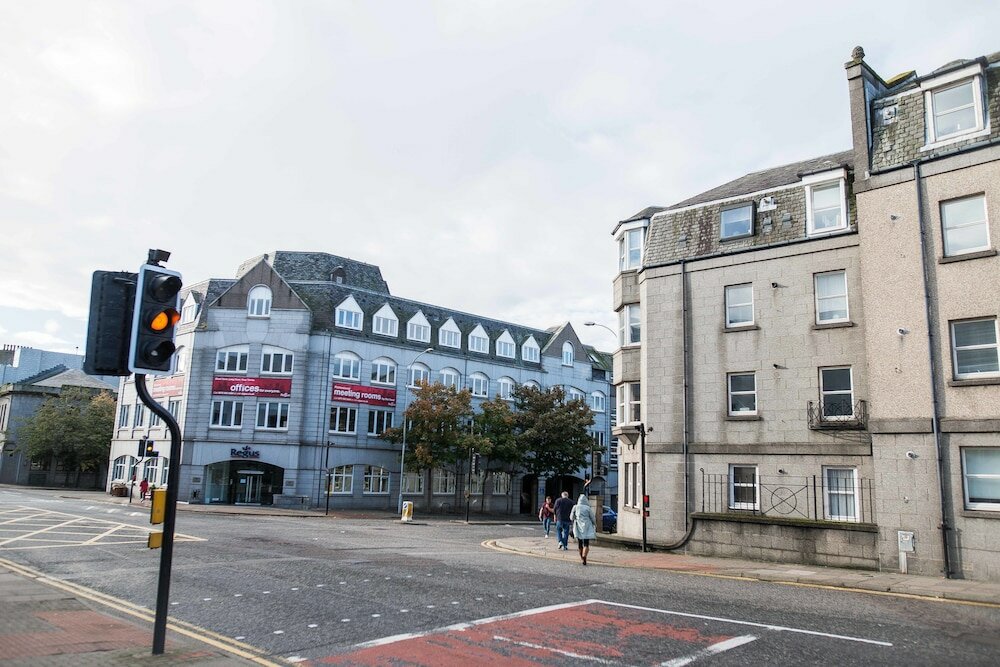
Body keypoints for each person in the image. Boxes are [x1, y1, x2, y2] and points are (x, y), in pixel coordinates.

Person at [570, 493, 597, 565]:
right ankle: (584, 556)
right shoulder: (588, 508)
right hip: (587, 526)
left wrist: (575, 519)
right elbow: (593, 518)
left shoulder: (575, 507)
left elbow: (571, 517)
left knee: (579, 543)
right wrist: (595, 524)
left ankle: (582, 557)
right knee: (586, 543)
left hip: (578, 525)